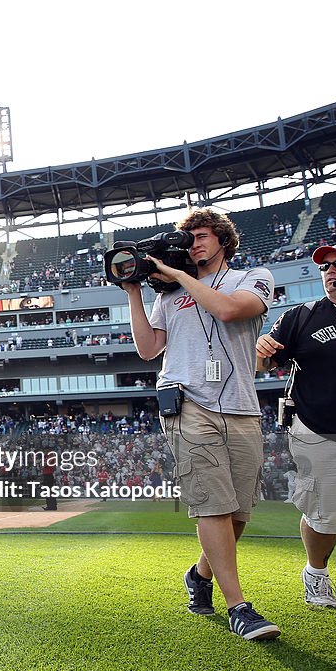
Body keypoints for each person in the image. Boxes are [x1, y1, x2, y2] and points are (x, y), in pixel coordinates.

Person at [123, 208, 280, 641]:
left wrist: (178, 275)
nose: (194, 243)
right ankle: (239, 607)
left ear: (223, 241)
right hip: (187, 400)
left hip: (242, 406)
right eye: (188, 237)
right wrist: (135, 292)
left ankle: (199, 574)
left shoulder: (252, 277)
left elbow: (230, 311)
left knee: (239, 513)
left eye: (202, 235)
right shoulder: (168, 295)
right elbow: (148, 348)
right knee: (212, 503)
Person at [256, 243, 336, 607]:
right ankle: (316, 573)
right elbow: (261, 365)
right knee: (324, 514)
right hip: (320, 428)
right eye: (326, 266)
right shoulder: (302, 315)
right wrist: (261, 350)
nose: (331, 270)